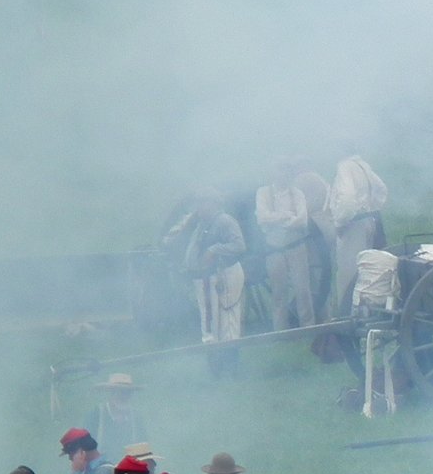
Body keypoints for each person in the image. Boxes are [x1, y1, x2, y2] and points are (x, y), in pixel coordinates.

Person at [164, 191, 247, 374]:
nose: (199, 207)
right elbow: (170, 241)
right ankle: (216, 369)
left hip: (223, 276)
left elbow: (239, 246)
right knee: (209, 325)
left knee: (228, 323)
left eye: (203, 203)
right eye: (198, 203)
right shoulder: (198, 223)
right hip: (205, 279)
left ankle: (230, 369)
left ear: (215, 203)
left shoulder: (225, 221)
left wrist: (214, 250)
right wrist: (187, 224)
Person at [326, 151, 389, 317]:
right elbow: (381, 189)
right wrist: (372, 208)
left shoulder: (344, 167)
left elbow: (347, 199)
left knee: (349, 273)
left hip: (353, 225)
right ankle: (365, 313)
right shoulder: (363, 166)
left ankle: (346, 316)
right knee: (365, 269)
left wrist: (340, 222)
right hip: (368, 221)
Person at [257, 159, 316, 330]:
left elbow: (302, 221)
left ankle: (308, 328)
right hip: (274, 250)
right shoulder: (263, 193)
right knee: (278, 293)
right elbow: (262, 217)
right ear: (273, 173)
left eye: (286, 171)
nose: (283, 174)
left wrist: (276, 220)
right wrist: (286, 216)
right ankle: (280, 331)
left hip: (296, 246)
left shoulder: (297, 194)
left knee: (303, 290)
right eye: (279, 170)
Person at [90, 375, 146, 455]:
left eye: (128, 392)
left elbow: (143, 447)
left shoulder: (136, 417)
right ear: (112, 392)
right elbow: (85, 448)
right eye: (121, 392)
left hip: (130, 466)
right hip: (101, 466)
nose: (125, 396)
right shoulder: (96, 415)